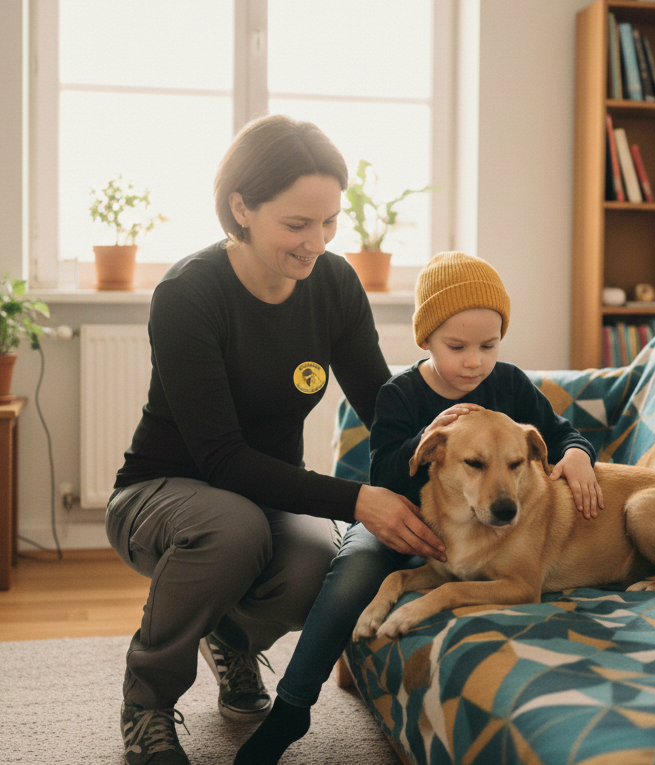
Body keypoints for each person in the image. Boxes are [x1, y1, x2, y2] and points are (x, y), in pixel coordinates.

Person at [105, 113, 446, 765]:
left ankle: (231, 637)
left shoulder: (335, 283)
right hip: (160, 494)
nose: (316, 241)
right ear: (241, 207)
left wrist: (449, 441)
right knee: (235, 528)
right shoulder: (188, 293)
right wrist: (360, 499)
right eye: (297, 223)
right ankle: (145, 701)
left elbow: (383, 403)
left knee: (324, 561)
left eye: (329, 221)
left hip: (262, 499)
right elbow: (221, 458)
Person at [234, 251, 603, 765]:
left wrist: (580, 455)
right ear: (426, 339)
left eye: (488, 345)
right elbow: (384, 476)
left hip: (472, 537)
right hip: (401, 521)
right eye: (457, 346)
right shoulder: (401, 393)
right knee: (353, 569)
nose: (474, 361)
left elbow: (562, 434)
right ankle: (293, 704)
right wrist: (425, 440)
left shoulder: (510, 385)